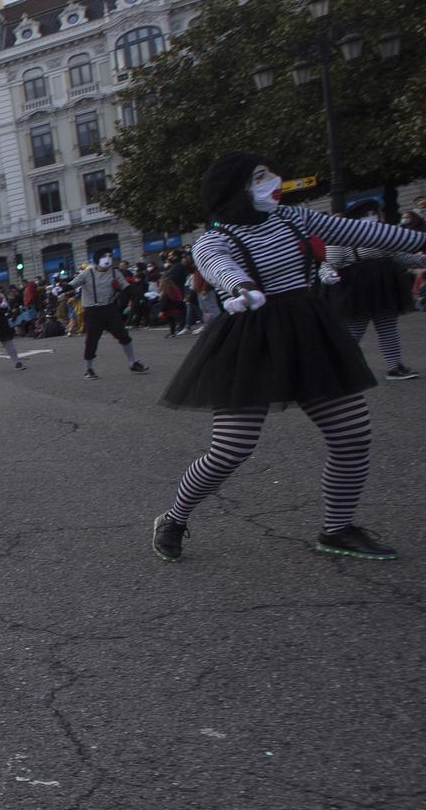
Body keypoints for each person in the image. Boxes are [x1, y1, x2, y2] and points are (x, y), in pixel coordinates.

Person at [153, 154, 426, 564]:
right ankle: (174, 518)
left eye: (269, 174)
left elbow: (360, 232)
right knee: (231, 448)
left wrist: (420, 241)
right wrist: (239, 286)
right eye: (259, 177)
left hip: (306, 329)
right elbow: (216, 265)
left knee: (352, 433)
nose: (273, 182)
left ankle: (337, 528)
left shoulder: (291, 217)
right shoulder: (214, 236)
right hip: (250, 336)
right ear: (236, 188)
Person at [326, 197, 421, 380]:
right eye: (366, 214)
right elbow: (330, 263)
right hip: (357, 287)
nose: (372, 217)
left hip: (383, 285)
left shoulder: (383, 235)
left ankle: (395, 366)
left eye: (373, 213)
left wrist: (421, 260)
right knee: (355, 330)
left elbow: (399, 256)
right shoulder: (342, 236)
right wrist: (328, 276)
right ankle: (339, 367)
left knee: (387, 327)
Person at [74, 255, 147, 379]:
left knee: (124, 336)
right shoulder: (86, 274)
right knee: (92, 341)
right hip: (93, 311)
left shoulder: (115, 273)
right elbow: (73, 284)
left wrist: (142, 295)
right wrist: (65, 288)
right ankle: (88, 369)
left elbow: (127, 286)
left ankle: (132, 362)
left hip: (109, 309)